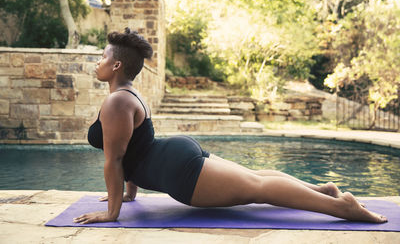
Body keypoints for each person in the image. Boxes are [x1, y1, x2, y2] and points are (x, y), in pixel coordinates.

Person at [73, 28, 387, 225]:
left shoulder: (116, 102)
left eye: (102, 57)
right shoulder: (129, 95)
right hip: (174, 156)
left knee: (259, 189)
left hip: (179, 172)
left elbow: (116, 159)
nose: (97, 63)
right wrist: (128, 195)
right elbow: (132, 151)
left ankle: (343, 207)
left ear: (116, 65)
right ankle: (324, 190)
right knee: (256, 179)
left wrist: (113, 212)